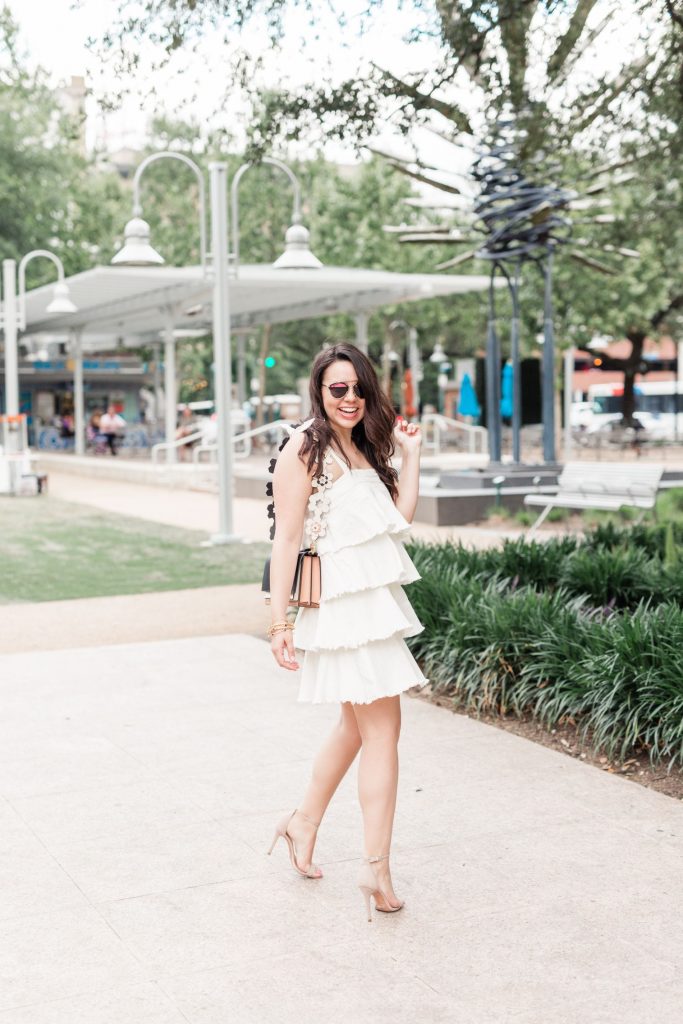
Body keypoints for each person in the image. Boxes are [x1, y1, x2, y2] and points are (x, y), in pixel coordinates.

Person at [267, 342, 425, 922]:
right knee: (384, 732)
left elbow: (399, 519)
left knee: (356, 727)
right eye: (339, 389)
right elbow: (285, 539)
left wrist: (409, 455)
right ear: (320, 390)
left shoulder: (359, 448)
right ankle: (375, 867)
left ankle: (301, 822)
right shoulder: (303, 450)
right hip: (345, 610)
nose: (351, 398)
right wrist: (279, 621)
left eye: (359, 388)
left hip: (370, 605)